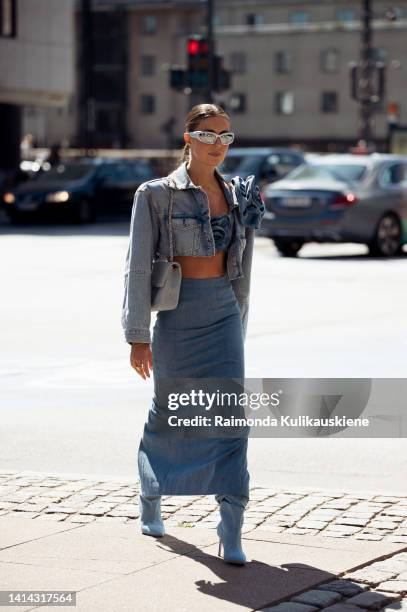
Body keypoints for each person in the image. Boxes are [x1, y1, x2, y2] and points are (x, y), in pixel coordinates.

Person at [121, 103, 265, 565]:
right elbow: (138, 267)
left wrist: (240, 320)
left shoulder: (240, 192)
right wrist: (137, 335)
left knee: (231, 419)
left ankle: (232, 524)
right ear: (188, 138)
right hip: (177, 318)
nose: (217, 145)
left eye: (226, 136)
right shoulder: (157, 194)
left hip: (223, 311)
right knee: (170, 413)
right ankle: (151, 493)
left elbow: (244, 267)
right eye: (207, 135)